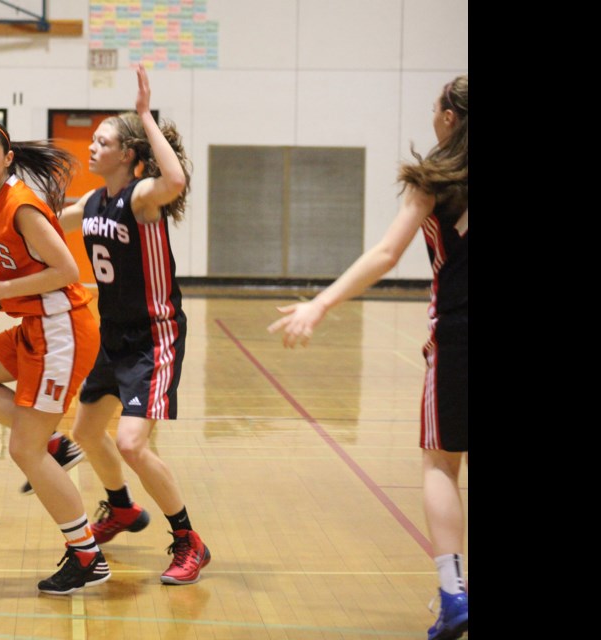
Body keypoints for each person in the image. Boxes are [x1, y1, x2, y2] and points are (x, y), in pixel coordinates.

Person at [268, 76, 468, 640]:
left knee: (440, 463)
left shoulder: (434, 177)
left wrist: (322, 302)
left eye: (435, 108)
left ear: (450, 118)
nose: (431, 115)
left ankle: (453, 593)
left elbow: (387, 252)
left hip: (457, 334)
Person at [57, 64, 211, 586]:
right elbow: (42, 224)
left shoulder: (142, 198)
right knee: (84, 432)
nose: (91, 148)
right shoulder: (92, 202)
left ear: (127, 153)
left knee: (130, 444)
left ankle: (189, 539)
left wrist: (144, 114)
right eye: (92, 141)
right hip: (113, 337)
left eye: (101, 142)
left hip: (154, 335)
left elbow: (176, 180)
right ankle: (121, 509)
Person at [0, 120, 109, 595]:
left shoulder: (22, 206)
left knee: (22, 449)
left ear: (8, 157)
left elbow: (66, 269)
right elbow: (8, 262)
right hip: (35, 326)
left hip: (63, 331)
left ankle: (87, 558)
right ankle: (54, 444)